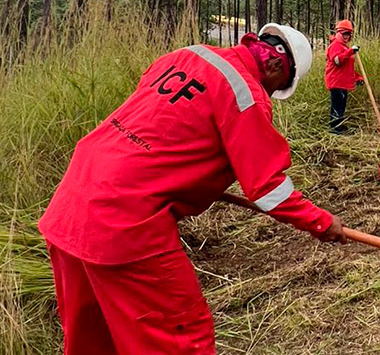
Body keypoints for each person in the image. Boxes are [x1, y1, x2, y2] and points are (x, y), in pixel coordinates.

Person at [37, 24, 345, 354]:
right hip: (126, 222)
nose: (270, 95)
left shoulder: (185, 56)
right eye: (277, 87)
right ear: (275, 67)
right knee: (182, 337)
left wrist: (194, 178)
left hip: (72, 202)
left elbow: (163, 127)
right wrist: (321, 223)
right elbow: (268, 188)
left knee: (93, 340)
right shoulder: (245, 95)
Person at [325, 19, 363, 134]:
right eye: (344, 34)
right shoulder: (335, 46)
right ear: (338, 33)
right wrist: (350, 52)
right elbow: (337, 61)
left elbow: (348, 68)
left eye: (349, 34)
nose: (347, 36)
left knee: (341, 106)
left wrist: (358, 78)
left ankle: (339, 126)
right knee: (337, 106)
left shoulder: (345, 47)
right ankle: (335, 129)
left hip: (343, 83)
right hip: (336, 82)